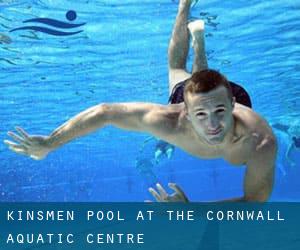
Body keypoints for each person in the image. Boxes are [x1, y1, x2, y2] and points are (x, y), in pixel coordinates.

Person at [4, 0, 277, 202]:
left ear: (232, 105)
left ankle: (199, 43)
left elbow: (255, 202)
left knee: (186, 75)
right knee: (178, 71)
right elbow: (105, 112)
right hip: (202, 96)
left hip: (224, 98)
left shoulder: (260, 140)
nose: (214, 124)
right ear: (184, 110)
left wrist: (192, 210)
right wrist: (50, 142)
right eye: (201, 115)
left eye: (220, 111)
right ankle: (185, 6)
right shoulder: (170, 120)